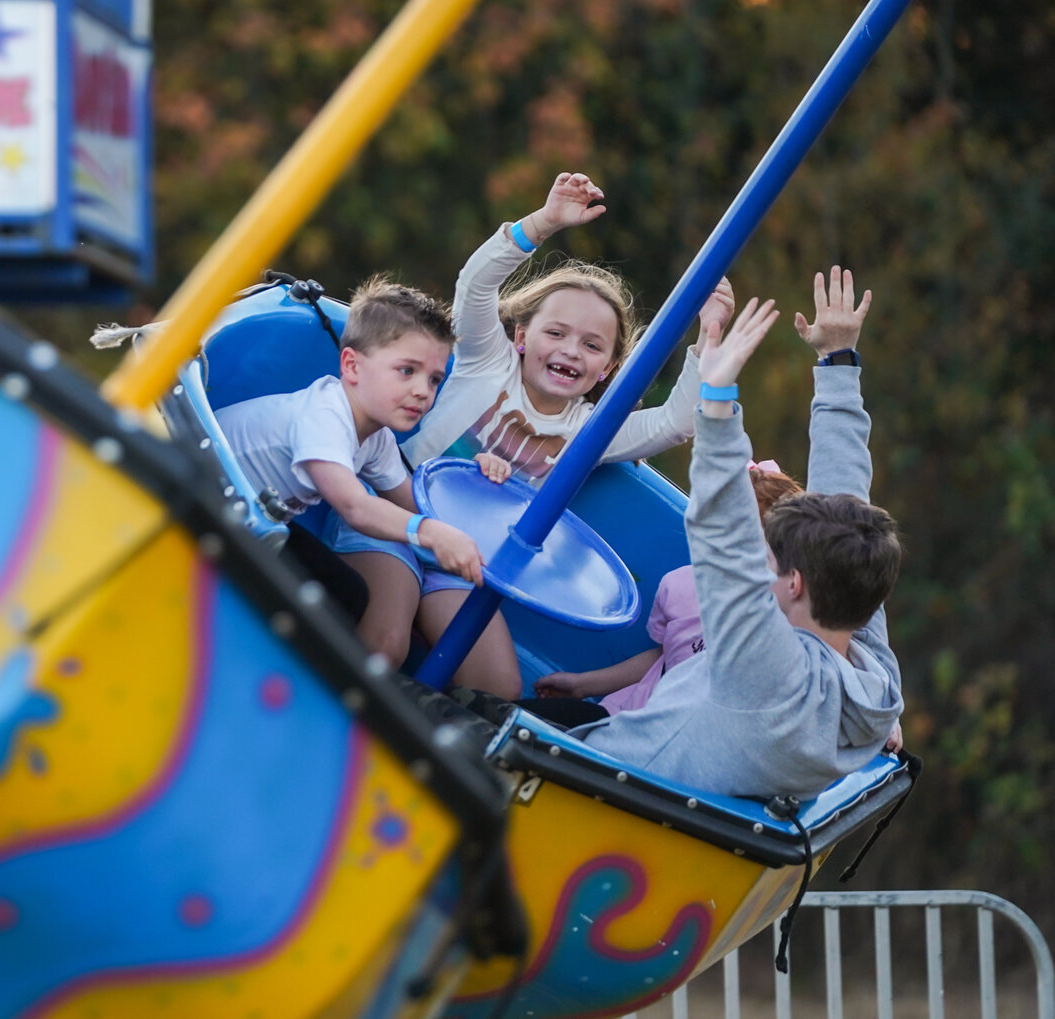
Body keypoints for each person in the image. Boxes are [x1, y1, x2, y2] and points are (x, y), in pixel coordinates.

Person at [331, 172, 734, 698]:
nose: (570, 351)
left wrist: (708, 335)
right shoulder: (486, 363)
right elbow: (475, 287)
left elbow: (676, 422)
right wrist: (542, 224)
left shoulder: (591, 433)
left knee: (499, 689)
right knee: (388, 640)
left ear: (609, 367)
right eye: (556, 333)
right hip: (398, 520)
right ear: (521, 337)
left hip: (466, 565)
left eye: (592, 346)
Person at [573, 266, 903, 799]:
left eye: (767, 560)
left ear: (793, 583)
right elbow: (848, 495)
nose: (757, 563)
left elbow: (721, 535)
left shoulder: (764, 665)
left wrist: (717, 402)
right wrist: (837, 360)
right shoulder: (869, 660)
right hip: (661, 784)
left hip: (596, 781)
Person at [214, 274, 487, 637]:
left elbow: (412, 501)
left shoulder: (376, 438)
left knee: (350, 595)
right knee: (329, 601)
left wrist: (474, 537)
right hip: (210, 499)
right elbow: (356, 507)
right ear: (352, 366)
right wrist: (432, 533)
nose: (423, 391)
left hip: (257, 517)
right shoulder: (325, 416)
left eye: (434, 379)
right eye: (407, 371)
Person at [532, 463, 803, 713]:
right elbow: (664, 656)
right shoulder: (680, 587)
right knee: (527, 717)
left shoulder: (785, 627)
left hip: (681, 743)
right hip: (625, 714)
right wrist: (583, 685)